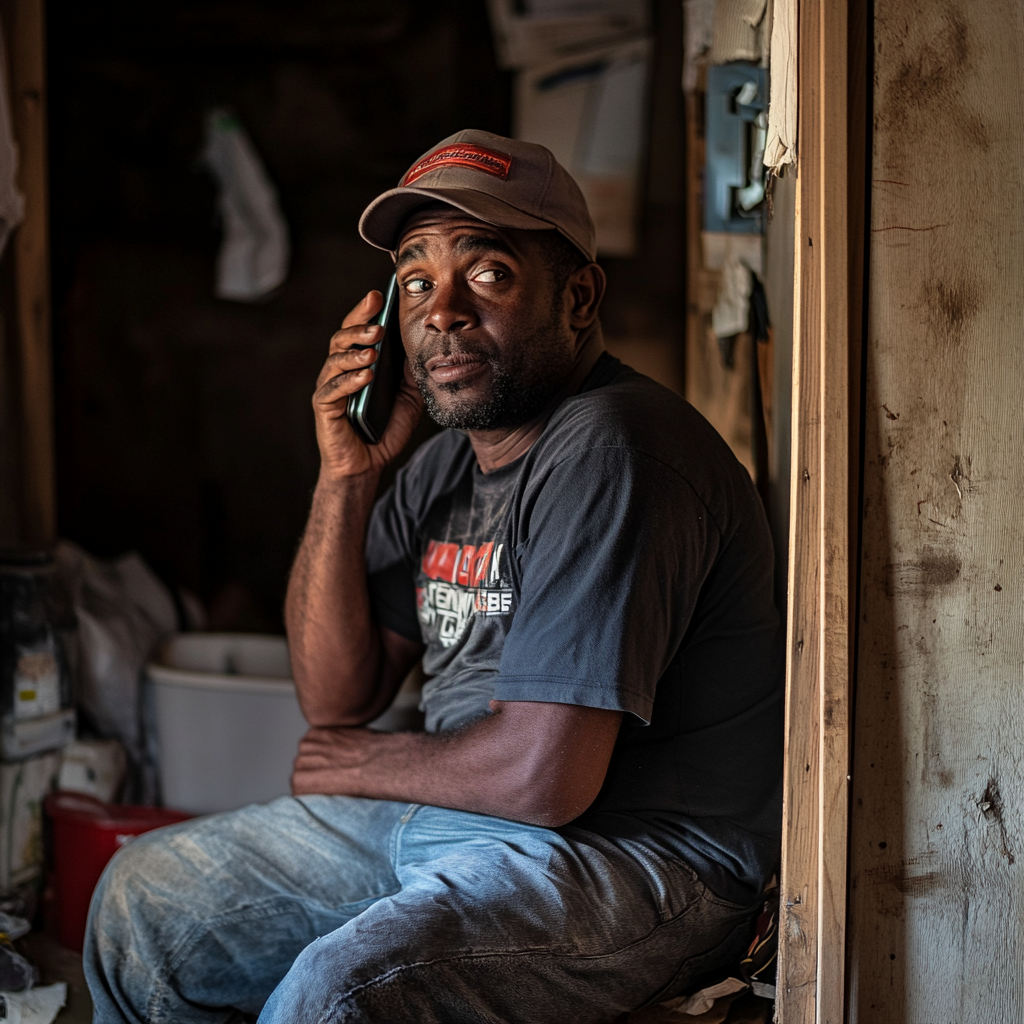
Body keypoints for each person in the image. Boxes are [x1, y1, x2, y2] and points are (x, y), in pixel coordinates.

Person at [84, 130, 784, 1024]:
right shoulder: (441, 465)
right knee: (141, 901)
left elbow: (542, 778)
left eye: (487, 273)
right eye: (416, 281)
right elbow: (337, 696)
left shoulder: (614, 448)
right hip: (459, 818)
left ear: (578, 297)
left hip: (638, 857)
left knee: (342, 992)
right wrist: (347, 477)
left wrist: (366, 761)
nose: (441, 310)